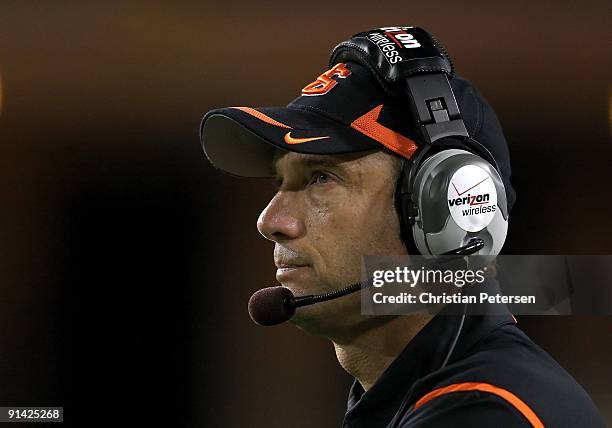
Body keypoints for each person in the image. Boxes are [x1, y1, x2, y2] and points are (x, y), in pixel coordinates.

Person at [199, 28, 604, 427]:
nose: (271, 222)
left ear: (448, 208)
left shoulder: (484, 411)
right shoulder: (433, 396)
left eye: (321, 177)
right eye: (279, 182)